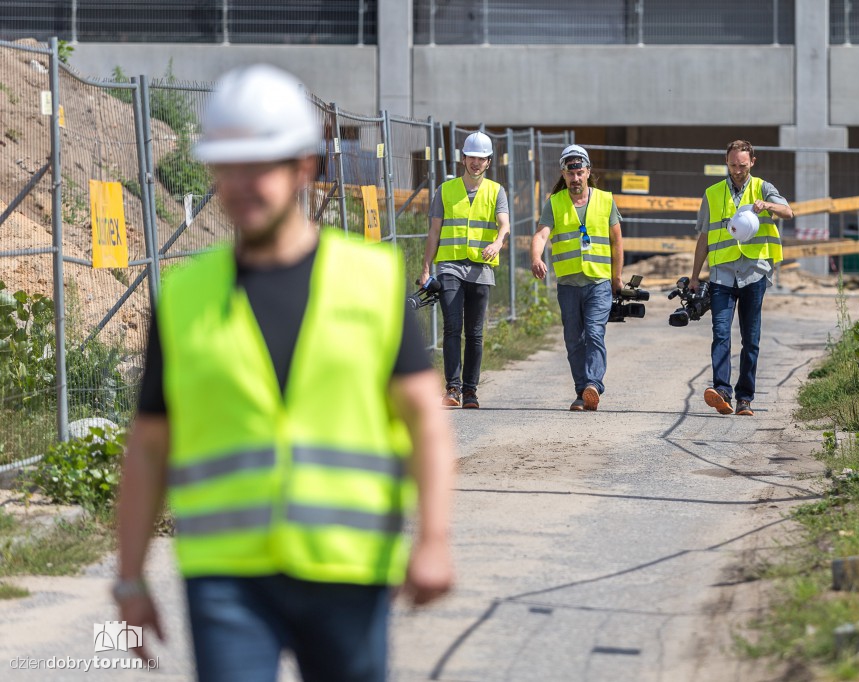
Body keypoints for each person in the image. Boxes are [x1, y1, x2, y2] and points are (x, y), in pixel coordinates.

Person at [114, 65, 455, 682]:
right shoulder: (185, 299)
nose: (242, 183)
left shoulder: (372, 281)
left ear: (304, 166)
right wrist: (130, 578)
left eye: (261, 164)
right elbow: (149, 448)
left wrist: (433, 540)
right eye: (228, 166)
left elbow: (426, 418)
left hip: (347, 571)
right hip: (226, 579)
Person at [688, 139, 793, 416]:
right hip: (722, 273)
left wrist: (767, 206)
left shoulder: (763, 188)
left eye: (742, 165)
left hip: (753, 273)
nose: (737, 170)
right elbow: (704, 237)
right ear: (727, 162)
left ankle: (745, 398)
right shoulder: (712, 193)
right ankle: (722, 390)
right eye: (733, 164)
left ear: (752, 163)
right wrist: (694, 276)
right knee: (720, 333)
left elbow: (789, 212)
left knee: (751, 337)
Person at [530, 144, 623, 412]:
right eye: (571, 174)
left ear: (588, 171)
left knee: (595, 333)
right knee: (574, 340)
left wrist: (617, 277)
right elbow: (541, 235)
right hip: (569, 284)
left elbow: (617, 241)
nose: (576, 179)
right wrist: (536, 258)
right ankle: (582, 392)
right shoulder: (555, 203)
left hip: (598, 282)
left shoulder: (605, 200)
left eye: (580, 173)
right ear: (563, 173)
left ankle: (593, 384)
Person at [420, 132, 510, 409]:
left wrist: (497, 242)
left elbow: (504, 225)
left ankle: (470, 391)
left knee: (474, 332)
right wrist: (426, 268)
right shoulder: (445, 191)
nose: (476, 163)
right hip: (450, 267)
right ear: (463, 159)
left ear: (488, 162)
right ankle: (453, 388)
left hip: (481, 268)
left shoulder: (496, 191)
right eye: (472, 157)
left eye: (481, 159)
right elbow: (434, 231)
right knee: (452, 327)